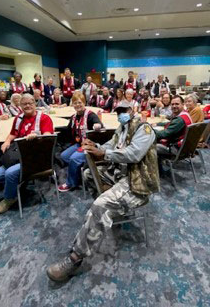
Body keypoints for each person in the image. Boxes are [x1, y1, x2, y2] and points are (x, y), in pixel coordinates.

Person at [46, 102, 159, 282]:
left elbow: (134, 154)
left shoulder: (144, 130)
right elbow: (109, 145)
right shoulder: (122, 128)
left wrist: (103, 154)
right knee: (88, 173)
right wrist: (95, 144)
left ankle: (75, 258)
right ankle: (107, 211)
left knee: (99, 206)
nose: (122, 114)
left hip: (137, 181)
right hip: (118, 174)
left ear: (132, 111)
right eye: (119, 112)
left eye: (125, 111)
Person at [0, 93, 54, 214]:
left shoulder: (44, 118)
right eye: (24, 104)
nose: (27, 106)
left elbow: (48, 137)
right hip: (18, 156)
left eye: (30, 103)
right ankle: (16, 186)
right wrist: (7, 141)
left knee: (10, 173)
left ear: (35, 104)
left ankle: (9, 199)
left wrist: (38, 136)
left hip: (37, 158)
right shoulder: (18, 118)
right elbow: (13, 133)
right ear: (20, 105)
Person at [58, 92, 103, 192]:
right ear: (72, 105)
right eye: (75, 103)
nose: (77, 105)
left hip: (90, 146)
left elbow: (98, 124)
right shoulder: (74, 117)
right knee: (64, 156)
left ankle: (71, 183)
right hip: (79, 144)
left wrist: (97, 125)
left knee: (74, 159)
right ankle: (77, 173)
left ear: (84, 102)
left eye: (79, 102)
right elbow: (68, 129)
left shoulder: (91, 115)